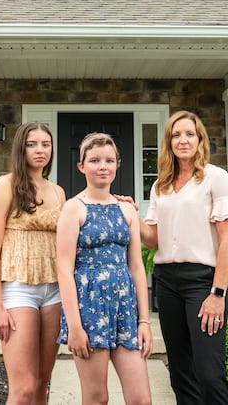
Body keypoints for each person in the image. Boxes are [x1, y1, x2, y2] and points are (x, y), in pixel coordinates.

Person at [139, 110, 228, 405]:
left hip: (201, 282)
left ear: (200, 140)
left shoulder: (215, 178)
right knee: (181, 372)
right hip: (167, 282)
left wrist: (218, 293)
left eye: (189, 134)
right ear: (168, 142)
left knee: (209, 373)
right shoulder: (161, 185)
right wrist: (130, 215)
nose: (182, 140)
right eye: (176, 134)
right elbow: (153, 240)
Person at [56, 132, 153, 405]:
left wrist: (143, 322)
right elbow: (64, 269)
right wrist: (75, 326)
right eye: (95, 160)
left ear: (117, 165)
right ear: (82, 166)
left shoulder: (127, 210)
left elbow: (136, 267)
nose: (103, 166)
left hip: (125, 310)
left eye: (109, 160)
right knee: (97, 397)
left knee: (141, 399)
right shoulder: (73, 209)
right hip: (89, 310)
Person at [0, 122, 67, 404]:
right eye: (32, 144)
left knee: (43, 382)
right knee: (24, 388)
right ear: (21, 148)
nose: (40, 150)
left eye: (46, 144)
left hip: (54, 290)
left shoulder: (58, 191)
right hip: (18, 289)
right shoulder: (4, 186)